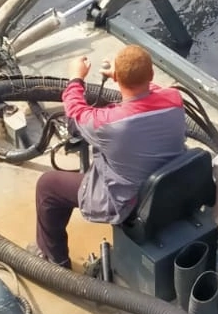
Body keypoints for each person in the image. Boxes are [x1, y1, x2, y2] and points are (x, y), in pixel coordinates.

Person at [34, 44, 186, 268]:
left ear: (118, 80)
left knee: (48, 186)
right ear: (152, 74)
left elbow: (75, 113)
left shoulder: (108, 123)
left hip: (128, 203)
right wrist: (124, 75)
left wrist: (76, 78)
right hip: (167, 189)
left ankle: (55, 260)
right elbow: (152, 88)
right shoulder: (174, 99)